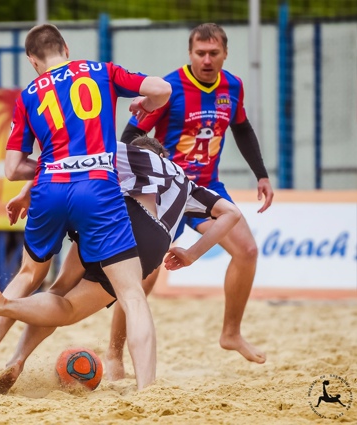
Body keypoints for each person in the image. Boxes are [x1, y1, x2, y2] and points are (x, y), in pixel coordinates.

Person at [0, 24, 171, 390]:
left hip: (49, 190)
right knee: (131, 294)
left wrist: (54, 165)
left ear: (32, 60)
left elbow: (12, 169)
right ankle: (146, 389)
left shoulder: (28, 96)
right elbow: (162, 89)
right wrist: (145, 106)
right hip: (97, 189)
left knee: (28, 276)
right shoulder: (102, 71)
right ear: (65, 47)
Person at [0, 135, 243, 394]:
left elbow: (69, 155)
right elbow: (231, 213)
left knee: (59, 290)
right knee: (76, 309)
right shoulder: (187, 183)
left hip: (118, 216)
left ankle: (8, 317)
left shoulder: (132, 153)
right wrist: (192, 253)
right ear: (163, 155)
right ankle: (14, 347)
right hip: (154, 241)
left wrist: (27, 191)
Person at [105, 22, 274, 380]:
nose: (207, 60)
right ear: (190, 54)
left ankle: (231, 334)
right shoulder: (170, 89)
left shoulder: (233, 86)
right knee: (143, 279)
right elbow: (131, 136)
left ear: (225, 54)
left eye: (214, 53)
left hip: (206, 188)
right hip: (167, 189)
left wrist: (261, 174)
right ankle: (114, 355)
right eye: (200, 53)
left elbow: (242, 128)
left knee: (247, 251)